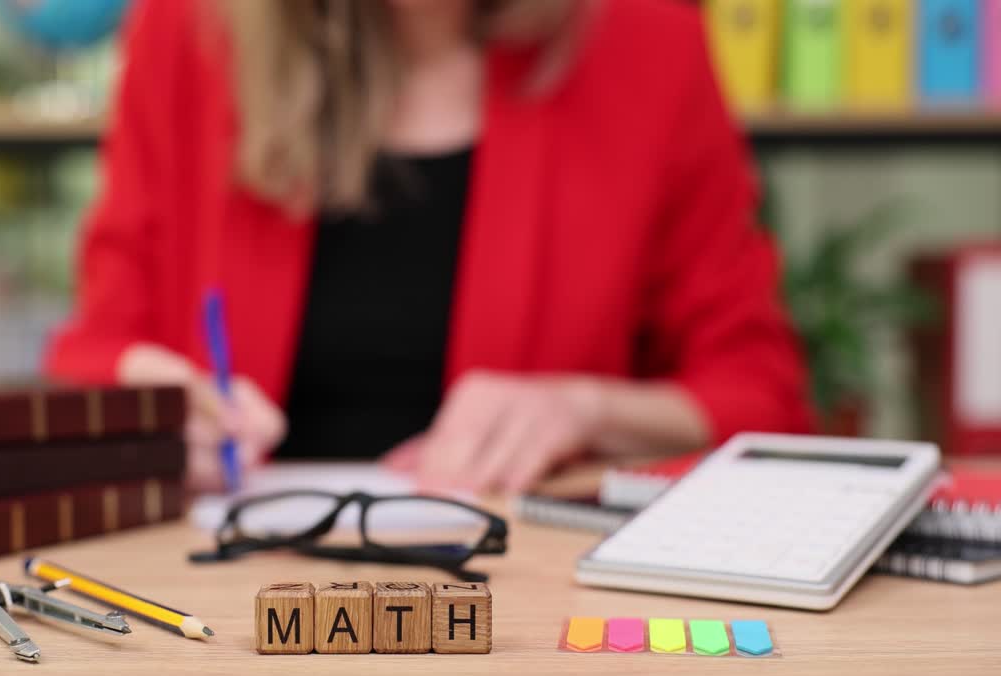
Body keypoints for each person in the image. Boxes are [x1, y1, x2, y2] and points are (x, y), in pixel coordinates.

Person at [47, 0, 814, 494]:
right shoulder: (186, 34)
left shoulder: (653, 47)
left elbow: (760, 393)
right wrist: (146, 407)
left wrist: (586, 410)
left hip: (533, 622)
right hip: (220, 613)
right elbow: (92, 352)